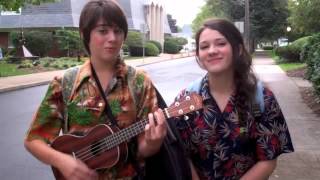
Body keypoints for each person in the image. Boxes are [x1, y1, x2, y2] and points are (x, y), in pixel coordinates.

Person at [24, 0, 167, 179]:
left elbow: (141, 150)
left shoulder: (140, 82)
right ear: (85, 34)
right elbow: (33, 140)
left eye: (118, 31)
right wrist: (62, 161)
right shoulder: (65, 82)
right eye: (103, 31)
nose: (113, 38)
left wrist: (154, 143)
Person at [173, 18, 294, 180]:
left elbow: (268, 159)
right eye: (204, 46)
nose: (212, 51)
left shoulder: (262, 98)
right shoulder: (185, 100)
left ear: (237, 49)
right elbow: (181, 155)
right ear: (198, 55)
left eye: (221, 43)